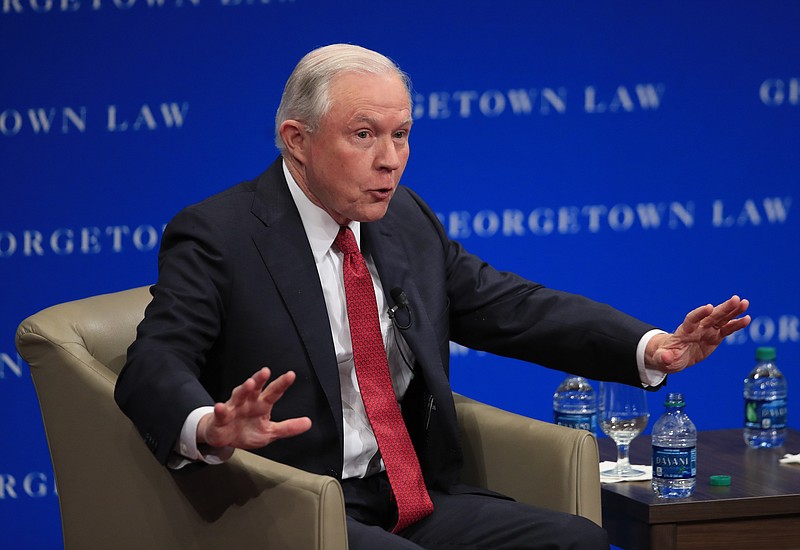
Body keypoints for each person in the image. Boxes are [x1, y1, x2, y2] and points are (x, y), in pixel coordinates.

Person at [114, 43, 750, 549]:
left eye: (402, 134)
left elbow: (509, 306)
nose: (391, 160)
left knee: (574, 541)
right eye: (364, 135)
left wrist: (649, 348)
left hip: (408, 493)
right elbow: (155, 359)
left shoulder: (402, 219)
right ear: (297, 139)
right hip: (292, 503)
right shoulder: (220, 233)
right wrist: (210, 425)